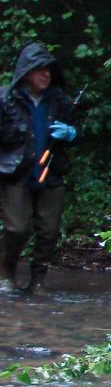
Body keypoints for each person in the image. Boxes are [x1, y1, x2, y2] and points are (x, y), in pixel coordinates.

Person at [0, 43, 79, 294]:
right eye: (38, 70)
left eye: (48, 70)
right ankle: (5, 274)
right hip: (16, 173)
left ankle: (38, 281)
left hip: (51, 173)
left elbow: (79, 134)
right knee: (17, 228)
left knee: (49, 231)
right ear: (26, 72)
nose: (45, 74)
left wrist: (72, 134)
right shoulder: (5, 99)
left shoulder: (60, 101)